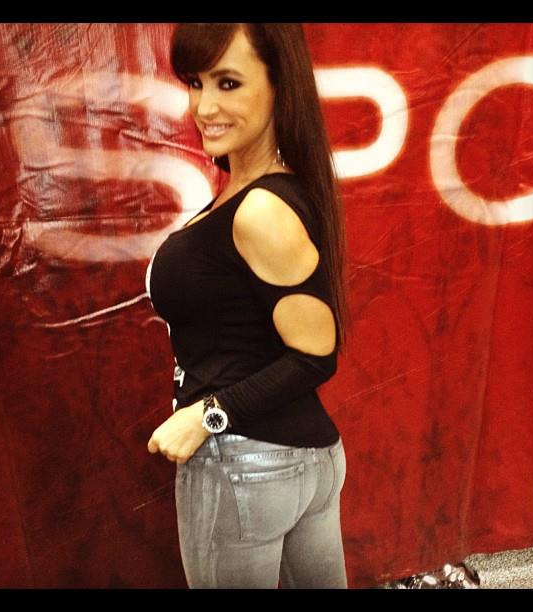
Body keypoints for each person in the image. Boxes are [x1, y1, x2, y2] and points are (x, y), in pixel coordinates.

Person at [146, 23, 349, 589]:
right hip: (302, 462)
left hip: (243, 466)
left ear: (278, 84)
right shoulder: (259, 191)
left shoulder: (261, 209)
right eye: (196, 83)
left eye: (228, 83)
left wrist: (205, 416)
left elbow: (316, 355)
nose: (204, 106)